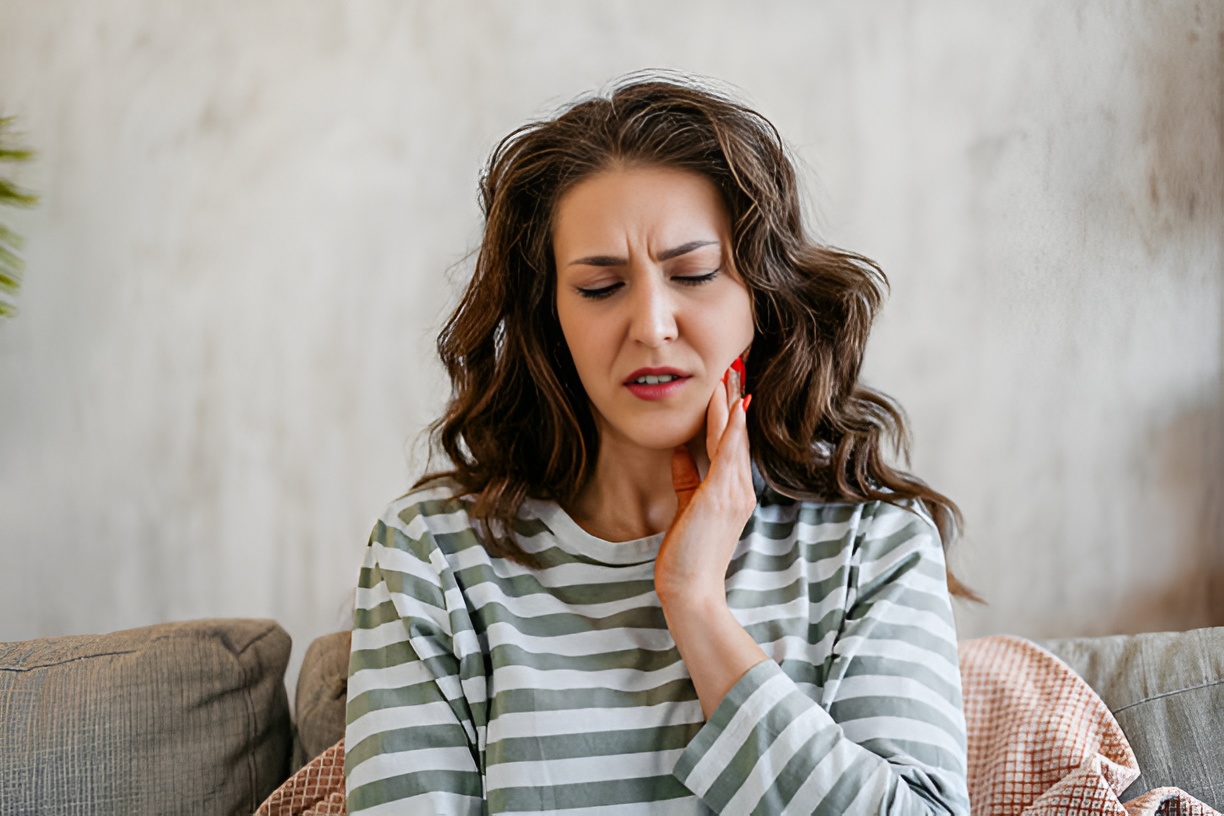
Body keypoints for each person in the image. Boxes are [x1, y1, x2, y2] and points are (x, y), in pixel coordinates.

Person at [345, 74, 972, 815]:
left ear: (762, 296)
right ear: (551, 317)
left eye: (694, 274)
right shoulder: (431, 553)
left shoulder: (873, 545)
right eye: (600, 288)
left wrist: (697, 606)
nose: (651, 325)